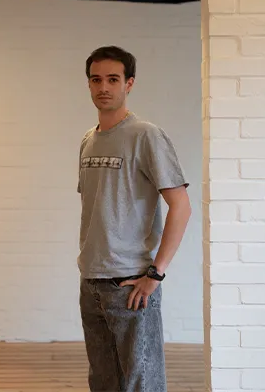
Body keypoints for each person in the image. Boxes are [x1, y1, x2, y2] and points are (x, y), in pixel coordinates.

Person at [77, 46, 191, 392]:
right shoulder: (87, 141)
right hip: (91, 281)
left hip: (131, 284)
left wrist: (155, 274)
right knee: (104, 383)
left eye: (113, 79)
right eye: (96, 79)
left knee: (144, 385)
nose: (104, 88)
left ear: (130, 83)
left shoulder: (146, 135)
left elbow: (181, 207)